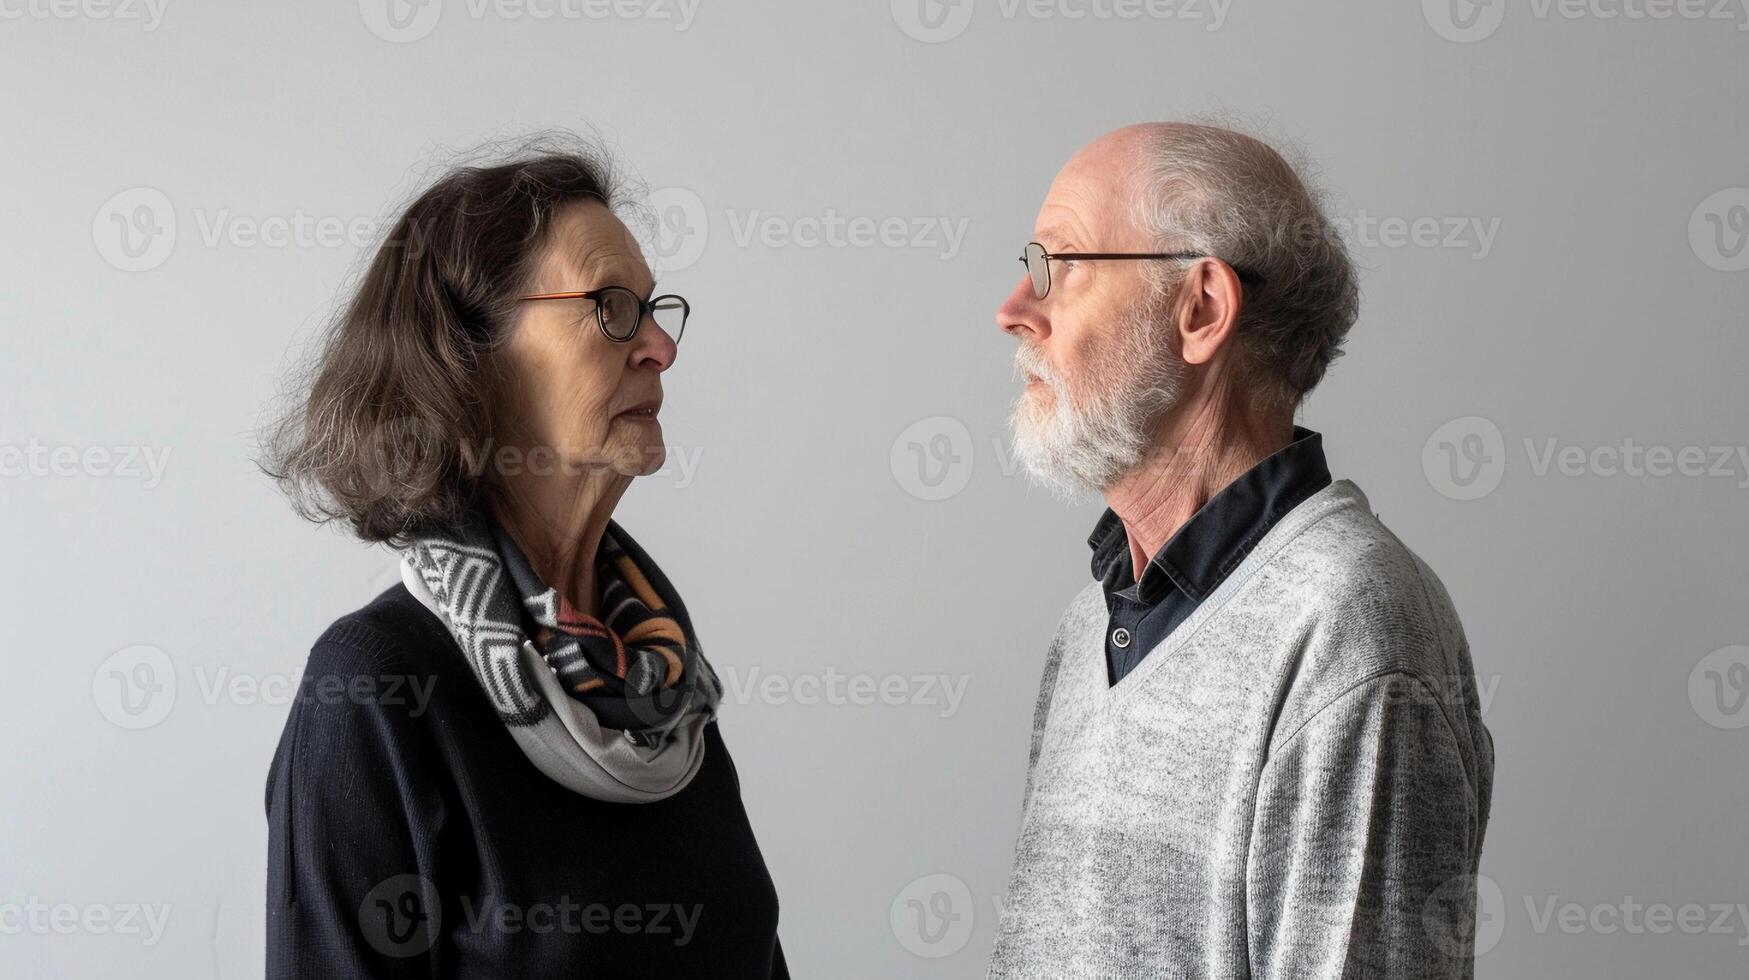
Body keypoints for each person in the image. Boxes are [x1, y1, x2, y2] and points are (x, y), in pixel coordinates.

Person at [260, 140, 787, 977]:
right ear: (471, 357)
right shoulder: (376, 686)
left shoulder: (662, 679)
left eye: (655, 310)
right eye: (612, 307)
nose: (660, 347)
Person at [987, 122, 1494, 979]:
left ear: (1201, 308)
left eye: (1058, 265)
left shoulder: (1351, 631)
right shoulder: (1093, 623)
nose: (1013, 311)